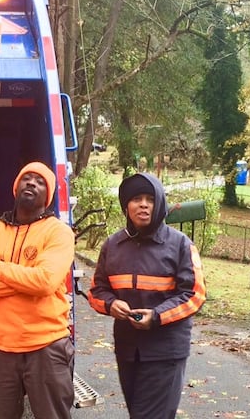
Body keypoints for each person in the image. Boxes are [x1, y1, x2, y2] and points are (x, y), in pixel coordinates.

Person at [87, 173, 206, 419]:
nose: (143, 204)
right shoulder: (113, 245)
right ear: (126, 206)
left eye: (150, 199)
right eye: (136, 199)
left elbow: (194, 294)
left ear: (159, 204)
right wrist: (111, 304)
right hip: (128, 349)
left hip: (165, 350)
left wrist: (157, 316)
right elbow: (97, 291)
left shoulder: (180, 245)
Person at [0, 161, 76, 419]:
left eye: (40, 181)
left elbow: (46, 282)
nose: (31, 183)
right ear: (16, 187)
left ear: (47, 197)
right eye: (27, 178)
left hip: (47, 346)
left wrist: (0, 267)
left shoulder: (58, 232)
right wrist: (27, 282)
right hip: (1, 348)